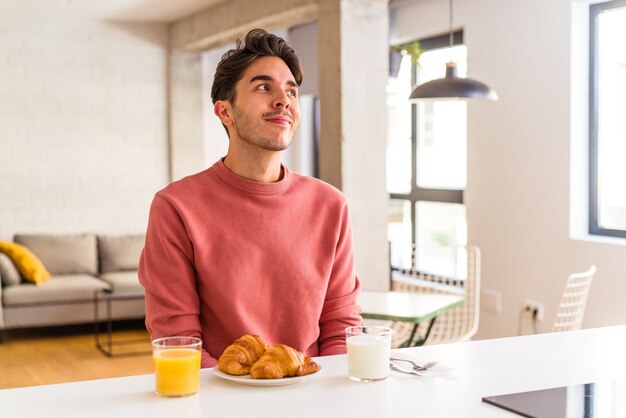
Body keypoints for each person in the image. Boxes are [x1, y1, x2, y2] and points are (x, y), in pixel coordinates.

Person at [138, 28, 362, 368]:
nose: (283, 100)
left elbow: (341, 327)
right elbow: (178, 340)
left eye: (291, 90)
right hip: (221, 398)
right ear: (225, 112)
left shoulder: (331, 205)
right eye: (263, 87)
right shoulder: (176, 207)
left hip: (314, 393)